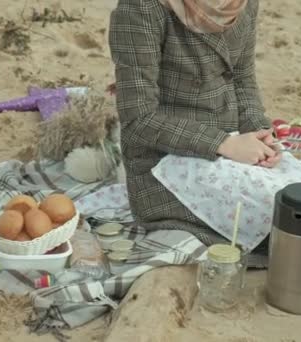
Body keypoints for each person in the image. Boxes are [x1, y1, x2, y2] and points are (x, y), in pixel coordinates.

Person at [108, 0, 282, 244]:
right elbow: (138, 118)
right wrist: (224, 144)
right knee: (282, 217)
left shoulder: (243, 3)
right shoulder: (142, 7)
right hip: (163, 160)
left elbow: (242, 78)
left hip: (234, 145)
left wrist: (260, 132)